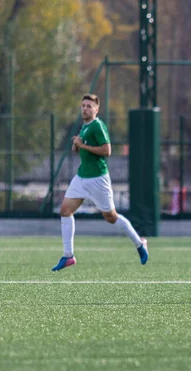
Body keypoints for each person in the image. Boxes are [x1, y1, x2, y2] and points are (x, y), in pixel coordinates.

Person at [52, 94, 148, 271]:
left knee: (111, 217)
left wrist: (84, 146)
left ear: (96, 110)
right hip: (81, 177)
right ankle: (68, 256)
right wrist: (77, 145)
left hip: (98, 179)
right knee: (65, 211)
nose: (85, 108)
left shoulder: (97, 125)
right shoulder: (84, 126)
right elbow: (81, 148)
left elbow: (107, 150)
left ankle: (140, 244)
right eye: (83, 106)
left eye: (89, 106)